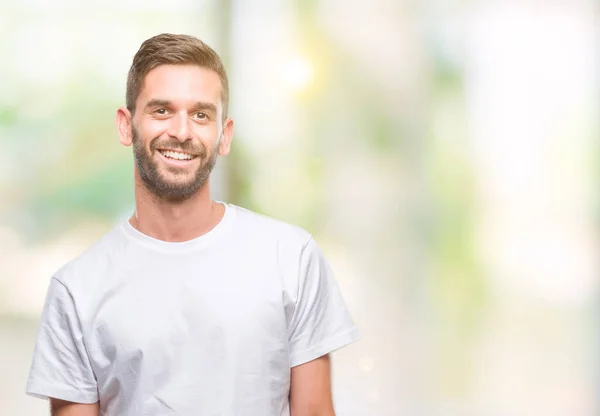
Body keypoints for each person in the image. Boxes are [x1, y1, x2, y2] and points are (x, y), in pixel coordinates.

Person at [25, 33, 359, 416]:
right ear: (126, 125)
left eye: (201, 114)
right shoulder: (77, 289)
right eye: (161, 110)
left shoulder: (293, 259)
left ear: (224, 135)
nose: (182, 132)